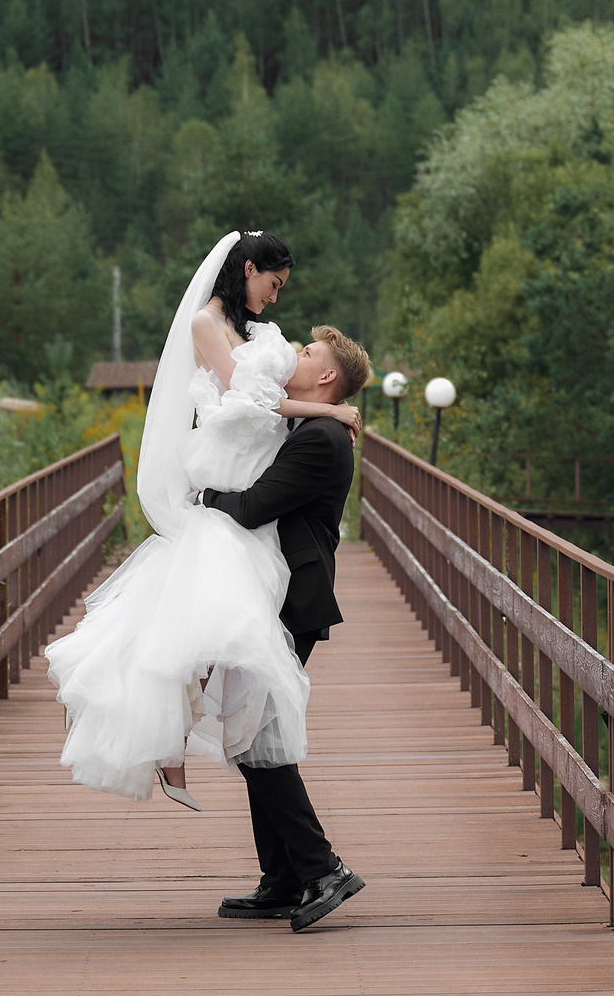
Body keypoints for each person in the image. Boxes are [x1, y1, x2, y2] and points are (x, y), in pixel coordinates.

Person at [48, 232, 359, 810]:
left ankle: (179, 742)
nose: (275, 297)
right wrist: (327, 407)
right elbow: (251, 399)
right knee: (204, 617)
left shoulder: (254, 330)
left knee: (223, 621)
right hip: (234, 460)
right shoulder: (204, 325)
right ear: (247, 269)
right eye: (273, 284)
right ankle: (171, 744)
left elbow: (279, 380)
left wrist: (322, 403)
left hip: (255, 467)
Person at [198, 320, 373, 931]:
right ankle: (282, 879)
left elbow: (248, 508)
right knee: (253, 738)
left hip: (290, 601)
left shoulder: (321, 438)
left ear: (326, 375)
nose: (294, 354)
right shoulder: (310, 423)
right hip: (273, 596)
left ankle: (321, 870)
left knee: (262, 735)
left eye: (307, 351)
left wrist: (195, 501)